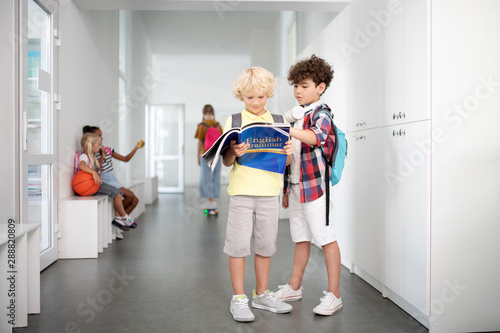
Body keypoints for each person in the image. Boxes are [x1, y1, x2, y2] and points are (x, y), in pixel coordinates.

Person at [273, 54, 343, 316]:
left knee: (325, 238)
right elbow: (291, 156)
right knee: (301, 238)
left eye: (305, 86)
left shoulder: (321, 114)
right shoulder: (297, 116)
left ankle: (334, 295)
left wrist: (285, 127)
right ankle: (294, 287)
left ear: (320, 87)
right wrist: (285, 190)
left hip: (316, 189)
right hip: (296, 187)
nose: (298, 91)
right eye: (296, 86)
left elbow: (317, 138)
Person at [222, 67, 294, 322]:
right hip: (241, 193)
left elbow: (285, 164)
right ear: (241, 95)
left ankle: (261, 294)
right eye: (250, 97)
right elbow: (227, 161)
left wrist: (289, 152)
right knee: (238, 246)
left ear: (269, 94)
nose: (255, 102)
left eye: (261, 97)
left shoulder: (277, 121)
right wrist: (235, 152)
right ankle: (238, 297)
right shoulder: (235, 121)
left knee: (265, 246)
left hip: (268, 194)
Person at [82, 125, 144, 228]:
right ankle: (119, 219)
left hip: (113, 179)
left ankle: (119, 221)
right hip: (105, 180)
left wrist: (136, 147)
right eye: (99, 136)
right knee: (130, 195)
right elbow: (96, 170)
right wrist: (101, 157)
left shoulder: (108, 150)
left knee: (135, 200)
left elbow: (125, 159)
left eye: (101, 135)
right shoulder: (93, 153)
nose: (101, 138)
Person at [78, 132, 132, 232]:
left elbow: (98, 168)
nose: (99, 148)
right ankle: (124, 217)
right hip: (89, 186)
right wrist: (93, 173)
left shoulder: (93, 157)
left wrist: (102, 157)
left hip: (94, 184)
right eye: (98, 145)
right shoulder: (84, 156)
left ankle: (119, 218)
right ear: (91, 145)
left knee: (118, 193)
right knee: (117, 194)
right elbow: (81, 165)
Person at [194, 104, 223, 210]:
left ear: (203, 113)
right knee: (216, 177)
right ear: (213, 113)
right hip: (217, 154)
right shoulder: (218, 124)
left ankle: (211, 201)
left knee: (206, 178)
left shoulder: (201, 125)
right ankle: (213, 201)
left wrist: (198, 156)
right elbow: (222, 140)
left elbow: (200, 142)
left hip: (205, 154)